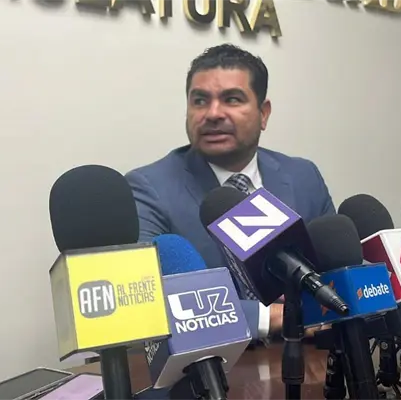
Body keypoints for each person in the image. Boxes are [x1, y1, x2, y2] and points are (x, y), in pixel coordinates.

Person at [125, 43, 336, 341]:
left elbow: (337, 274)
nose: (213, 114)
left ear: (264, 113)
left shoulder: (303, 177)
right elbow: (147, 301)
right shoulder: (148, 188)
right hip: (213, 364)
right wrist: (271, 318)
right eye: (200, 101)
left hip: (311, 357)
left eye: (232, 99)